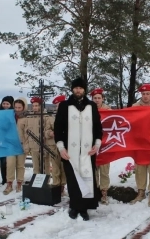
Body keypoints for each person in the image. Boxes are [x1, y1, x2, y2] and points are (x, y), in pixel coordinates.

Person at [54, 77, 103, 221]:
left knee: (87, 178)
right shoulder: (64, 106)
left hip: (88, 151)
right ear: (72, 89)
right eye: (76, 88)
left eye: (80, 88)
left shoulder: (91, 106)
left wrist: (97, 144)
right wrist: (61, 148)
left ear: (84, 90)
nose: (78, 90)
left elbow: (98, 127)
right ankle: (75, 207)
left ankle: (85, 208)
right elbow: (58, 128)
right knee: (73, 179)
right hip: (70, 151)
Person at [90, 87, 112, 204]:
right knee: (93, 169)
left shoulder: (108, 111)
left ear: (102, 99)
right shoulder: (87, 110)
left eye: (99, 98)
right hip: (91, 144)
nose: (97, 100)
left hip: (105, 145)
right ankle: (95, 191)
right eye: (95, 98)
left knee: (104, 170)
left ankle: (104, 192)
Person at [4, 97, 27, 195]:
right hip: (10, 144)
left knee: (20, 165)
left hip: (22, 144)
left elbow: (28, 133)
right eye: (16, 107)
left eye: (19, 107)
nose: (17, 109)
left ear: (23, 107)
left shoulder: (27, 118)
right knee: (10, 164)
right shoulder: (9, 116)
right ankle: (9, 183)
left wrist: (26, 145)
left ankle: (19, 182)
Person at [45, 95, 67, 196]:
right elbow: (46, 131)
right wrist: (50, 133)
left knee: (64, 166)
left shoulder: (70, 116)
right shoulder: (50, 118)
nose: (59, 107)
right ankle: (56, 185)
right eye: (57, 105)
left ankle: (63, 186)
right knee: (55, 166)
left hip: (66, 145)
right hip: (53, 145)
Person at [24, 97, 50, 175]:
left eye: (37, 105)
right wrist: (27, 144)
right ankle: (36, 181)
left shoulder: (46, 116)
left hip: (44, 145)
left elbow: (47, 129)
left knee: (45, 165)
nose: (35, 107)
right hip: (33, 145)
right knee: (36, 166)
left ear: (40, 106)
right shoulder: (29, 117)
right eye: (33, 106)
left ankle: (46, 181)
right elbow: (27, 132)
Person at [0, 96, 14, 185]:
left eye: (7, 104)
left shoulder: (14, 114)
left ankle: (10, 179)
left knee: (10, 162)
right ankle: (4, 179)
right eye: (3, 103)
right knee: (3, 161)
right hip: (1, 141)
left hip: (11, 141)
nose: (5, 105)